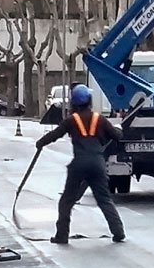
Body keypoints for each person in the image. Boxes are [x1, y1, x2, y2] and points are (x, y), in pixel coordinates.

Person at [36, 84, 126, 245]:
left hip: (79, 164)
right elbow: (117, 136)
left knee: (67, 201)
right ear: (89, 101)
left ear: (74, 103)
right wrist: (119, 129)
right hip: (97, 164)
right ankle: (118, 232)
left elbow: (55, 134)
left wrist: (40, 143)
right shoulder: (100, 119)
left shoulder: (72, 120)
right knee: (104, 199)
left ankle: (62, 235)